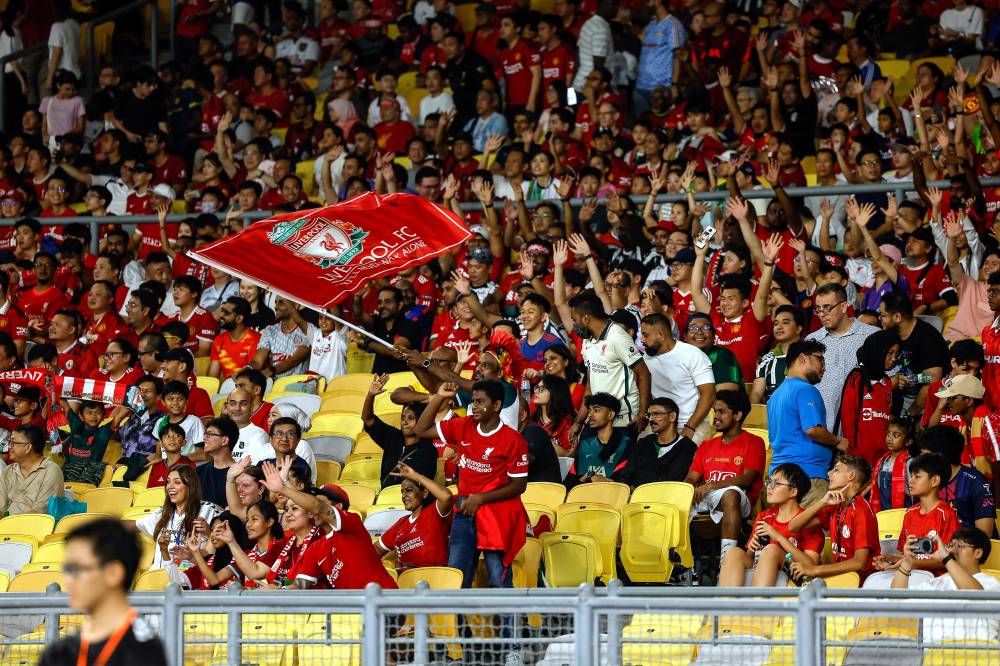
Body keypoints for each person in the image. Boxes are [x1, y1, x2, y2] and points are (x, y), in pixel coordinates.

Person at [414, 381, 528, 592]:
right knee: (457, 579)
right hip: (464, 513)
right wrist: (438, 397)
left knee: (499, 582)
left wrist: (481, 499)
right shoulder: (462, 425)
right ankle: (459, 626)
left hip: (496, 516)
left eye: (480, 401)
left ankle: (507, 626)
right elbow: (420, 430)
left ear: (496, 405)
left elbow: (519, 485)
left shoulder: (513, 440)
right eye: (473, 401)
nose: (474, 406)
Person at [37, 519, 167, 666]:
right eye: (67, 569)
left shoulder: (144, 651)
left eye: (77, 569)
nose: (68, 580)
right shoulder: (59, 653)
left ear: (113, 573)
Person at [685, 390, 766, 560]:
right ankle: (682, 564)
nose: (715, 416)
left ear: (737, 415)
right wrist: (687, 489)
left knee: (731, 494)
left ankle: (727, 559)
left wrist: (711, 485)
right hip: (708, 496)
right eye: (715, 411)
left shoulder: (754, 442)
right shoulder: (707, 445)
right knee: (676, 499)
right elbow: (692, 477)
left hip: (738, 498)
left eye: (722, 412)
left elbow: (747, 478)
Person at [768, 340, 850, 506]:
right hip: (807, 475)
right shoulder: (805, 390)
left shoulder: (775, 395)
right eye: (820, 359)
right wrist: (839, 442)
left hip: (779, 477)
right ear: (802, 358)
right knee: (815, 530)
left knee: (788, 530)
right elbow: (813, 430)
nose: (824, 367)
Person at [717, 462, 824, 588]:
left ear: (793, 492)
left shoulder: (808, 521)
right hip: (761, 573)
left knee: (771, 549)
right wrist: (751, 549)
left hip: (793, 577)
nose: (769, 487)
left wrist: (778, 537)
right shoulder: (764, 517)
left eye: (777, 483)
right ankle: (726, 604)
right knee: (732, 552)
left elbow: (811, 565)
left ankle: (759, 603)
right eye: (769, 482)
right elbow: (750, 560)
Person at [891, 528, 1000, 642]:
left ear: (977, 553)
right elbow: (898, 598)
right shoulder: (937, 582)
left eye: (960, 546)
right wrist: (907, 563)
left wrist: (945, 558)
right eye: (951, 545)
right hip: (934, 657)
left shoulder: (991, 583)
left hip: (976, 656)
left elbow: (974, 593)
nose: (953, 550)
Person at [788, 454, 880, 583]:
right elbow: (793, 526)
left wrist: (815, 570)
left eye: (836, 470)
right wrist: (822, 502)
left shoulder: (861, 510)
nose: (829, 473)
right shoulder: (835, 505)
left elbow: (859, 563)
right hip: (842, 577)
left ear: (851, 476)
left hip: (861, 582)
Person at [570, 292, 652, 433]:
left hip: (623, 420)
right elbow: (590, 384)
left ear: (586, 319)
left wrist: (642, 414)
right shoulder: (587, 340)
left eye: (574, 320)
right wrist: (578, 421)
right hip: (596, 418)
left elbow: (644, 374)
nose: (573, 325)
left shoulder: (618, 337)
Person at [805, 282, 879, 429]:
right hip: (824, 429)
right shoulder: (812, 340)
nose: (822, 315)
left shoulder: (872, 336)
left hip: (863, 426)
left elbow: (890, 380)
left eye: (827, 308)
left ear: (844, 307)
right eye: (818, 310)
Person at [640, 312, 715, 443]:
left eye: (645, 335)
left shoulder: (692, 355)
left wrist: (690, 427)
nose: (641, 340)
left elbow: (708, 394)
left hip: (693, 424)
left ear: (661, 335)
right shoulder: (645, 360)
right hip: (659, 423)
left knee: (681, 457)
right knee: (639, 454)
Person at [876, 452, 959, 572]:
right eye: (911, 475)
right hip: (912, 578)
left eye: (917, 476)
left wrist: (912, 563)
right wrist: (890, 559)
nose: (911, 481)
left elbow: (950, 559)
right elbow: (908, 556)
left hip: (937, 582)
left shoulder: (947, 514)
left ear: (935, 480)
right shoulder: (909, 513)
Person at [836, 329, 902, 466]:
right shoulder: (857, 377)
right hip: (858, 458)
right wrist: (850, 453)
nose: (894, 358)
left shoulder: (887, 382)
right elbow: (848, 416)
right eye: (890, 353)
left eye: (896, 354)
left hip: (881, 458)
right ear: (877, 351)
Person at [135, 466, 220, 570]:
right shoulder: (162, 513)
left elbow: (225, 544)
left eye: (177, 482)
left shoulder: (209, 510)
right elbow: (135, 525)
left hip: (189, 577)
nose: (170, 486)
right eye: (168, 482)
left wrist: (208, 532)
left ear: (190, 486)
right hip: (159, 576)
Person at [879, 290, 950, 416]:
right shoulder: (890, 334)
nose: (880, 319)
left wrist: (909, 414)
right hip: (897, 397)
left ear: (897, 317)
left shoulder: (927, 337)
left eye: (883, 315)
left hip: (924, 402)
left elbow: (933, 377)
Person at [376, 462, 454, 573]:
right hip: (406, 580)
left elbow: (446, 496)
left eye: (409, 490)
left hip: (435, 577)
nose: (404, 496)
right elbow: (377, 548)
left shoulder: (434, 512)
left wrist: (416, 476)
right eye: (402, 492)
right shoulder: (401, 523)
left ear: (425, 493)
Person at [362, 373, 437, 488]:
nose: (404, 422)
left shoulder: (428, 451)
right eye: (403, 418)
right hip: (385, 498)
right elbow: (368, 420)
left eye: (410, 418)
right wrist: (371, 395)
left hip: (410, 500)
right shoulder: (393, 437)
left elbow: (423, 486)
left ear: (422, 421)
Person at [918, 425, 996, 535]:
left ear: (941, 455)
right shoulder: (925, 480)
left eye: (925, 454)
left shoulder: (977, 482)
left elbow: (984, 537)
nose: (921, 459)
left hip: (971, 549)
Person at [618, 397, 697, 488]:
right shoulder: (644, 443)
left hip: (664, 499)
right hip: (634, 499)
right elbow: (625, 475)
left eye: (656, 414)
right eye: (649, 415)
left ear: (672, 416)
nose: (651, 419)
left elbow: (671, 479)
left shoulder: (687, 447)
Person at [566, 392, 633, 489]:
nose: (590, 415)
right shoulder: (584, 444)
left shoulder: (626, 444)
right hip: (582, 499)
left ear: (611, 415)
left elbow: (624, 483)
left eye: (596, 410)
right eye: (589, 411)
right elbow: (569, 483)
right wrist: (590, 476)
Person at [0, 424, 63, 515]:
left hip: (35, 526)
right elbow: (1, 508)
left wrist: (10, 523)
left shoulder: (51, 471)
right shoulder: (9, 471)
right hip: (6, 525)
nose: (9, 446)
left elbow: (41, 512)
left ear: (28, 447)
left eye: (14, 443)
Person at [750, 305, 805, 403]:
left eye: (785, 323)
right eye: (776, 324)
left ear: (798, 329)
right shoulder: (766, 359)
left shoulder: (809, 356)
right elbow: (756, 394)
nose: (779, 327)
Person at [869, 416, 917, 513]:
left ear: (908, 441)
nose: (889, 438)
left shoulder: (909, 463)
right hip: (883, 515)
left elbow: (914, 495)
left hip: (902, 515)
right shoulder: (882, 462)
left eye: (896, 435)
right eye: (888, 434)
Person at [685, 313, 744, 391]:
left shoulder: (724, 355)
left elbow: (727, 391)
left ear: (713, 336)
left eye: (705, 327)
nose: (699, 332)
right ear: (685, 337)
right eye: (693, 328)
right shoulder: (679, 357)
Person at [209, 297, 261, 380]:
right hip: (227, 389)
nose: (221, 315)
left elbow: (252, 375)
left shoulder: (255, 340)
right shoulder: (219, 340)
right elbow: (212, 379)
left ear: (239, 318)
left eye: (226, 313)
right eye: (222, 311)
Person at [196, 417, 239, 508]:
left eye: (210, 434)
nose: (204, 438)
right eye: (205, 434)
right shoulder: (198, 471)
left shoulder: (240, 473)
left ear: (225, 440)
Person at [145, 423, 195, 488]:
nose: (172, 439)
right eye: (167, 436)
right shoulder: (156, 467)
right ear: (161, 443)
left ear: (183, 442)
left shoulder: (190, 465)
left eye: (177, 436)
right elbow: (150, 493)